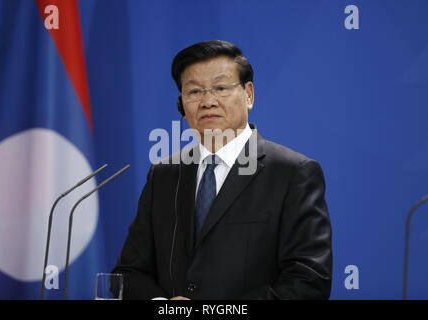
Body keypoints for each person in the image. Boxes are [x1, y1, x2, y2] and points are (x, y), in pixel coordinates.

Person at [112, 40, 332, 300]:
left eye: (221, 87)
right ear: (182, 104)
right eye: (194, 92)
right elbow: (129, 273)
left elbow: (308, 282)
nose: (208, 101)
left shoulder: (293, 173)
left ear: (248, 95)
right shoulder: (164, 174)